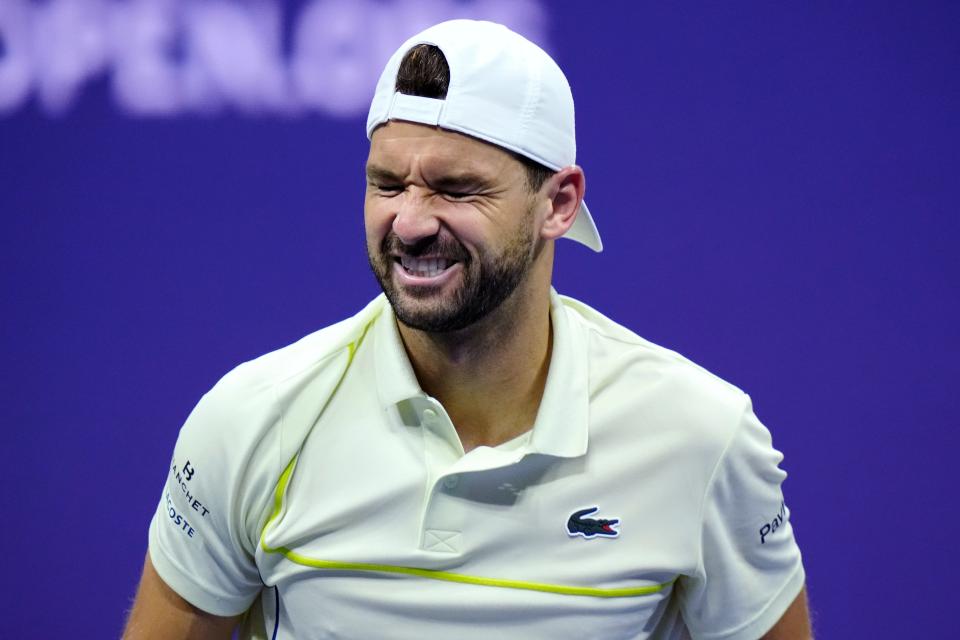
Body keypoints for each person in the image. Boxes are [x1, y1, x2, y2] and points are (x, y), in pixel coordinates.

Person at [124, 19, 810, 640]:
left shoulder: (701, 436)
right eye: (387, 184)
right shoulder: (251, 420)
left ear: (559, 203)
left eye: (456, 190)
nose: (413, 222)